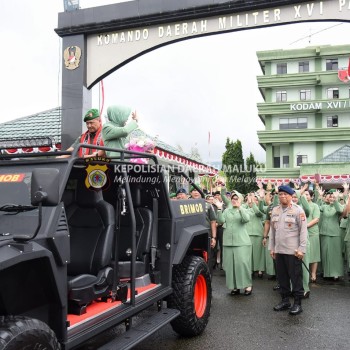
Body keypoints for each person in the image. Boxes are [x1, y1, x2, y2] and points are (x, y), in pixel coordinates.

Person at [269, 185, 307, 316]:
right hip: (279, 251)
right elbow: (272, 231)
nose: (282, 196)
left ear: (291, 196)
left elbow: (303, 231)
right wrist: (272, 248)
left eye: (285, 194)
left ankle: (297, 303)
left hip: (293, 251)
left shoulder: (298, 210)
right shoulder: (275, 210)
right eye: (280, 194)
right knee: (282, 277)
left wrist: (302, 249)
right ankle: (285, 301)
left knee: (295, 278)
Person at [214, 190, 252, 296]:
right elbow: (221, 221)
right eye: (233, 199)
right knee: (230, 266)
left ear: (240, 200)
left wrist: (240, 208)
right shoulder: (227, 211)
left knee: (242, 264)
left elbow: (246, 219)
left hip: (241, 242)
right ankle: (234, 287)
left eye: (237, 199)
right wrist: (219, 209)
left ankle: (247, 285)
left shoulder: (244, 209)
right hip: (228, 242)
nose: (234, 201)